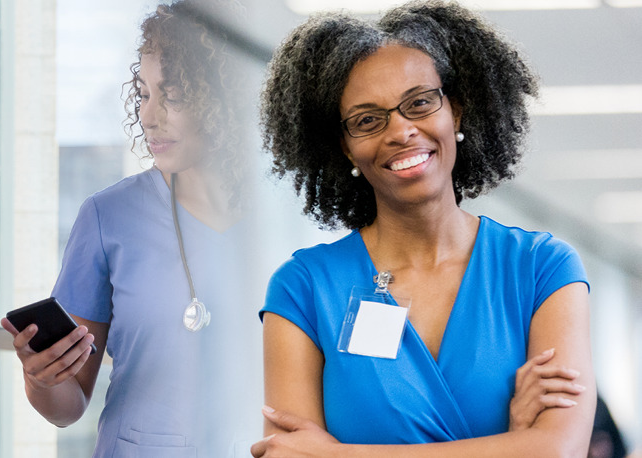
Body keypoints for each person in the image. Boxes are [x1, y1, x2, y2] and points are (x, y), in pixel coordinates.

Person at [251, 1, 595, 457]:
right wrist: (512, 443)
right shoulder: (304, 288)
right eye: (368, 120)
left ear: (457, 111)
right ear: (346, 148)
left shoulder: (541, 268)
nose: (401, 131)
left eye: (419, 103)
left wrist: (341, 454)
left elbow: (557, 450)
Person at [1, 2, 270, 456]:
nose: (149, 115)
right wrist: (40, 377)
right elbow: (69, 406)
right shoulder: (108, 216)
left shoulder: (291, 217)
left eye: (174, 96)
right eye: (144, 93)